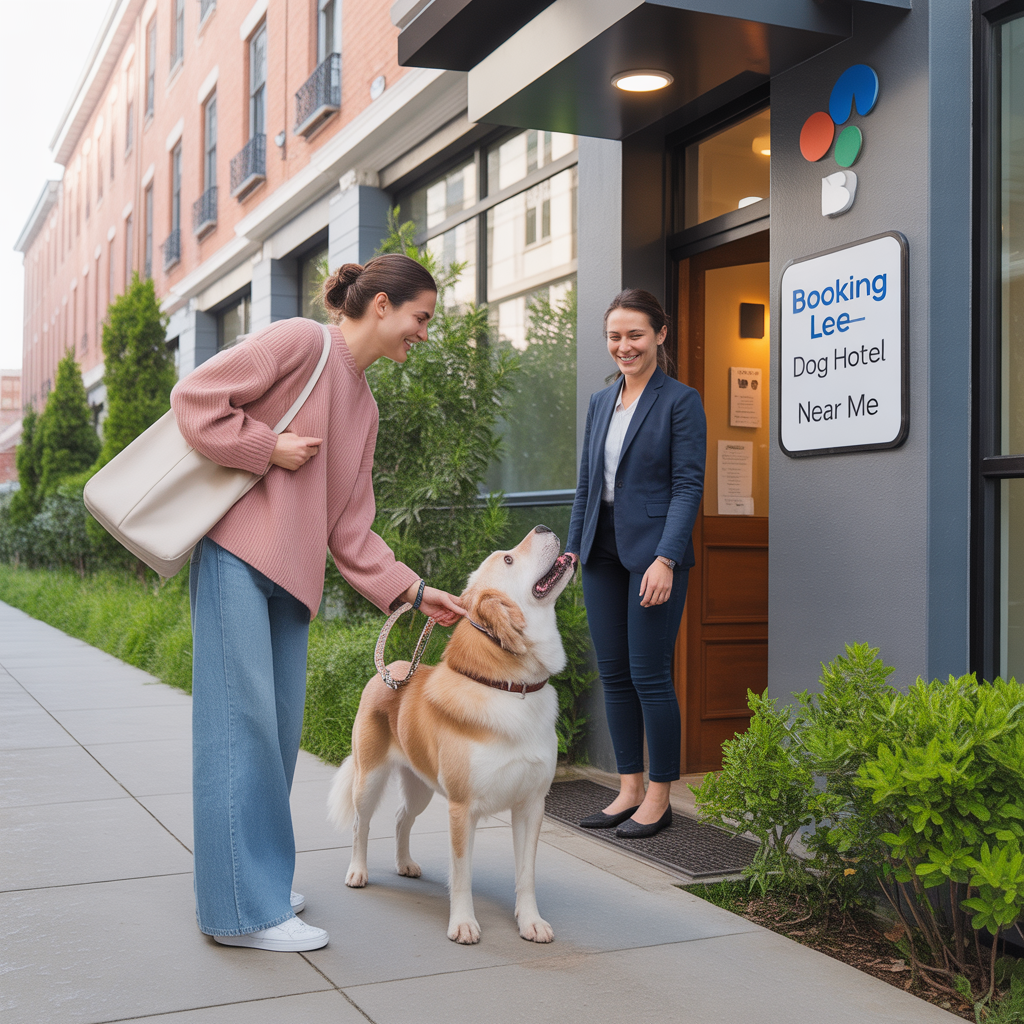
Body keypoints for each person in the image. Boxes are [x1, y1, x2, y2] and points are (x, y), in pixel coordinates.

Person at [170, 254, 466, 952]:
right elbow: (195, 402)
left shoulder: (363, 404)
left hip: (291, 582)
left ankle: (259, 882)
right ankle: (243, 911)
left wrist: (415, 593)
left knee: (273, 739)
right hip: (236, 555)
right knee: (238, 736)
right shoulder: (303, 341)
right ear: (384, 304)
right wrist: (267, 446)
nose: (422, 334)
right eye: (421, 318)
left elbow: (349, 530)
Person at [565, 289, 705, 839]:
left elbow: (688, 485)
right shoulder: (602, 402)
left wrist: (667, 557)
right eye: (615, 337)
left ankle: (659, 796)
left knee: (649, 675)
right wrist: (572, 552)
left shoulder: (680, 400)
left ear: (660, 335)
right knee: (614, 675)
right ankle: (626, 789)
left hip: (654, 556)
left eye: (635, 335)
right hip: (601, 551)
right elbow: (586, 486)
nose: (624, 346)